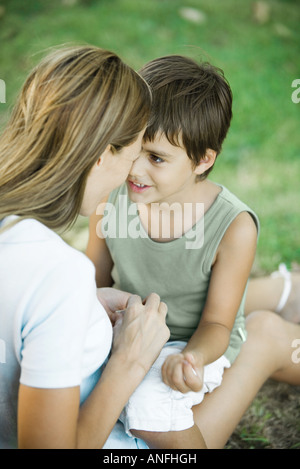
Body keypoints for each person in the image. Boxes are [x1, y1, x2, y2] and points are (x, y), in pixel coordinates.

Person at [86, 55, 300, 449]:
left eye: (156, 158)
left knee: (148, 404)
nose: (134, 169)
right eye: (131, 148)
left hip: (189, 343)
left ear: (203, 160)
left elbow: (218, 325)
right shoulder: (111, 195)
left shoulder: (233, 226)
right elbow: (93, 282)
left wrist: (193, 359)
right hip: (131, 331)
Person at [0, 45, 170, 449]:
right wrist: (130, 360)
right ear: (100, 155)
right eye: (131, 156)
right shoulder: (57, 273)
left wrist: (84, 303)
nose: (131, 174)